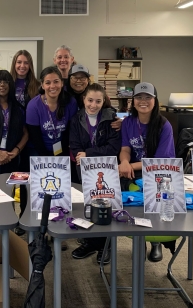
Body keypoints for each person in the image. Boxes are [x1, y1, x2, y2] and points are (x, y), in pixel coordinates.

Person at [118, 81, 175, 262]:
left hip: (160, 174)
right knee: (132, 201)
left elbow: (158, 162)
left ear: (155, 101)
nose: (143, 101)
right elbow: (125, 148)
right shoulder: (128, 122)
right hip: (134, 172)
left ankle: (155, 241)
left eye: (147, 97)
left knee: (152, 202)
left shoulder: (164, 125)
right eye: (139, 97)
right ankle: (139, 238)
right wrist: (124, 161)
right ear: (133, 101)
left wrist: (128, 166)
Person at [26, 66, 78, 251]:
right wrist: (47, 159)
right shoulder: (34, 105)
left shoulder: (70, 102)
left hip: (61, 152)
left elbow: (69, 131)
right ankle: (38, 233)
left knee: (60, 194)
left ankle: (58, 232)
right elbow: (34, 135)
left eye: (56, 81)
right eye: (48, 82)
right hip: (38, 152)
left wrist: (60, 157)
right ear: (42, 85)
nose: (52, 86)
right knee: (41, 193)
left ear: (62, 83)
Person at [69, 83, 121, 265]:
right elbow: (74, 145)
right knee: (86, 206)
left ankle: (104, 246)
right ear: (84, 99)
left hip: (105, 170)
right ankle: (90, 242)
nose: (93, 105)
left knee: (105, 207)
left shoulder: (111, 119)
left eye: (98, 101)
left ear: (103, 101)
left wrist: (89, 154)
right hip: (82, 168)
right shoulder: (76, 119)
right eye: (90, 100)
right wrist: (81, 156)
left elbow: (114, 148)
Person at [9, 50, 40, 231]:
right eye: (19, 62)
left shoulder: (36, 85)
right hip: (11, 141)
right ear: (14, 64)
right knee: (12, 182)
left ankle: (26, 218)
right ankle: (9, 219)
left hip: (31, 141)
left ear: (30, 65)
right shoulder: (7, 84)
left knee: (29, 183)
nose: (22, 66)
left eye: (26, 62)